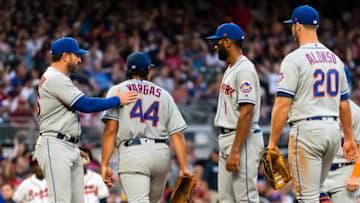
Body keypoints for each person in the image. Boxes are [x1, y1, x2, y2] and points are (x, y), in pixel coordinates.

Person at [267, 5, 357, 202]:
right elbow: (344, 104)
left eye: (293, 25)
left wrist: (272, 142)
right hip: (333, 131)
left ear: (298, 26)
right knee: (318, 190)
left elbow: (282, 103)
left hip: (307, 130)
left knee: (306, 197)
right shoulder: (336, 60)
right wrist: (349, 138)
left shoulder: (294, 59)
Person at [34, 37, 138, 203]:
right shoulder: (55, 78)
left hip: (65, 144)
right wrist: (117, 100)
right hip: (55, 144)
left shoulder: (57, 77)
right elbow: (86, 105)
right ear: (65, 56)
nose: (80, 60)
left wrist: (71, 144)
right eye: (77, 55)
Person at [101, 52, 192, 203]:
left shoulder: (118, 90)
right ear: (149, 70)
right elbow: (177, 134)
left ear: (127, 70)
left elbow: (110, 129)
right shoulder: (164, 94)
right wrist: (183, 167)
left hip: (133, 152)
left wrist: (104, 163)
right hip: (161, 154)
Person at [206, 23, 264, 202]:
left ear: (228, 42)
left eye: (218, 42)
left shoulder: (244, 69)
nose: (215, 46)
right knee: (226, 199)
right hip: (228, 137)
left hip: (242, 139)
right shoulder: (232, 67)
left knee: (245, 197)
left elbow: (247, 111)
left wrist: (236, 150)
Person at [324, 68, 360, 202]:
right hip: (320, 172)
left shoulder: (355, 112)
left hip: (344, 171)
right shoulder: (317, 108)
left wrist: (355, 176)